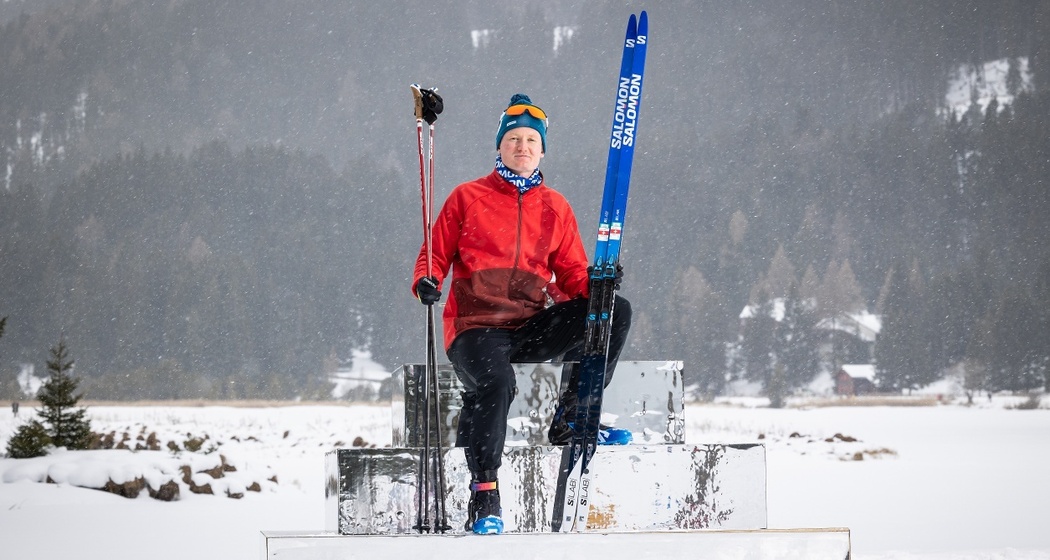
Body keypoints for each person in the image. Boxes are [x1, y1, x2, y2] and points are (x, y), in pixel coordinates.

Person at [411, 93, 632, 535]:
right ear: (500, 146)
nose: (523, 147)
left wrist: (598, 288)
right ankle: (485, 495)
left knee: (614, 312)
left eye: (532, 140)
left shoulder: (555, 206)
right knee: (497, 384)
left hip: (530, 325)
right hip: (475, 328)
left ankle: (574, 416)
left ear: (543, 150)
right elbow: (433, 254)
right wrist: (427, 280)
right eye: (514, 139)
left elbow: (571, 273)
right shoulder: (467, 197)